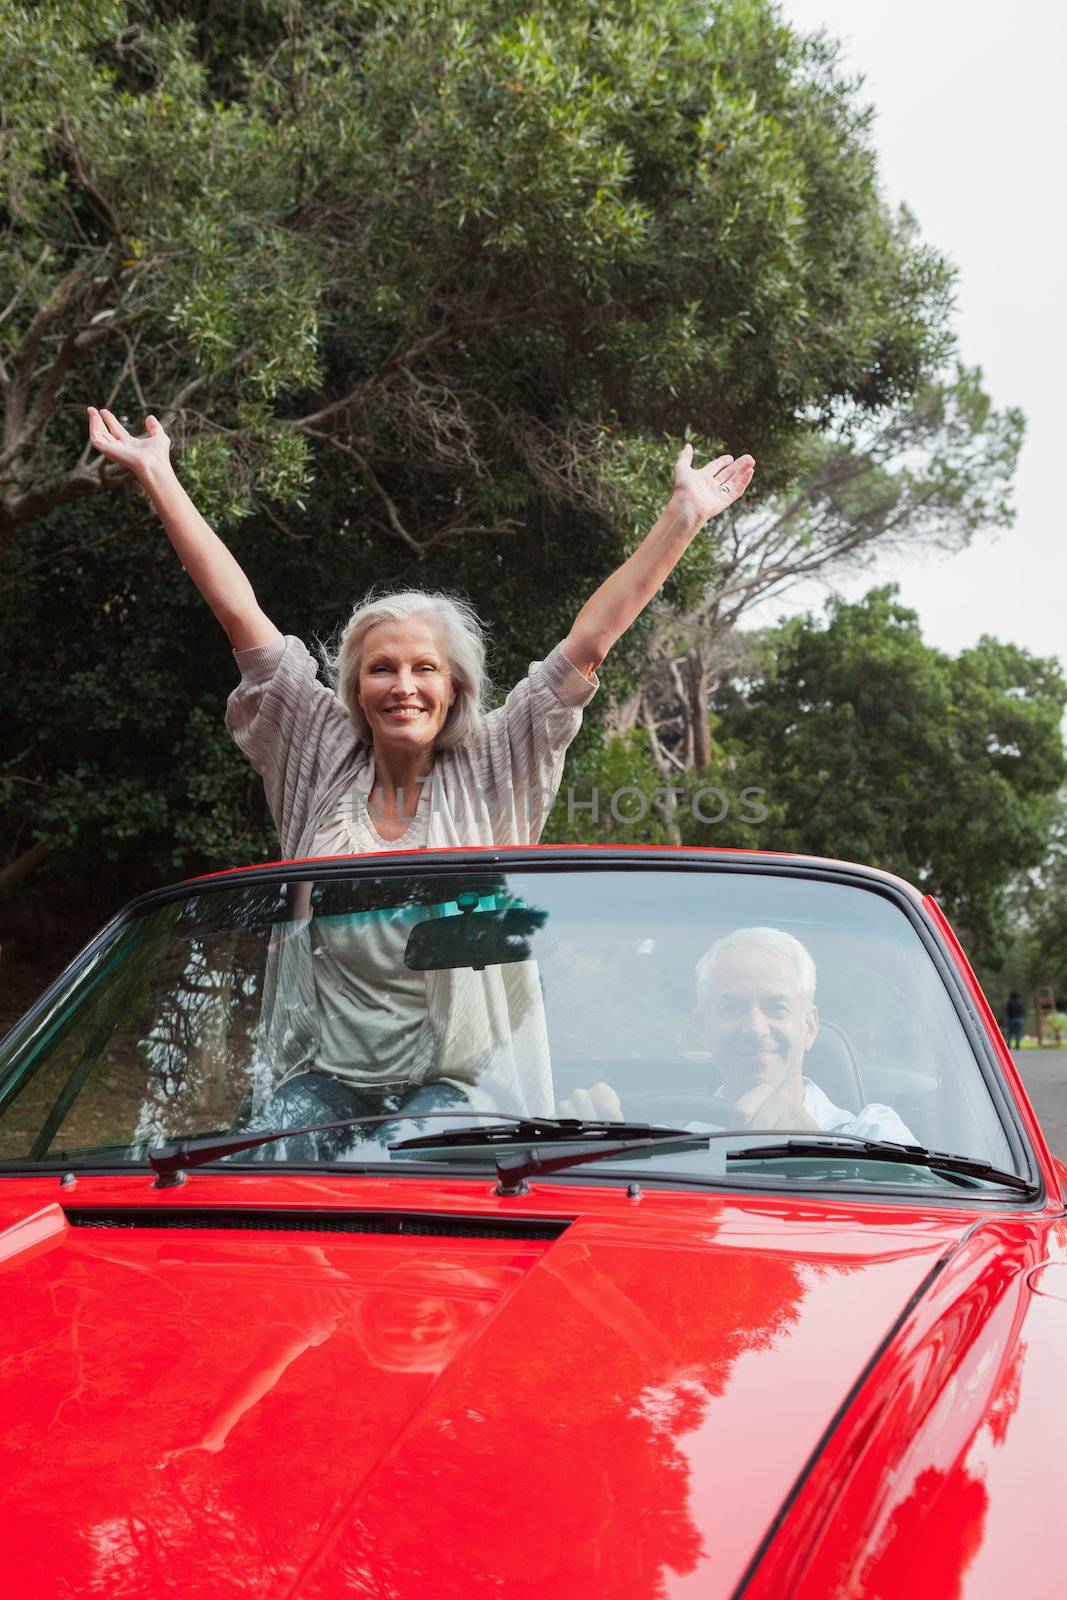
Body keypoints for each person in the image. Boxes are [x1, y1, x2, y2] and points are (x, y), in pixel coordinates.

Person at [86, 405, 755, 1137]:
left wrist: (683, 515)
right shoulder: (314, 747)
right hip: (326, 1071)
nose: (402, 685)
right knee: (280, 1143)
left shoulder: (501, 758)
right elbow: (238, 614)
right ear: (354, 687)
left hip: (459, 1082)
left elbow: (586, 647)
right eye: (381, 669)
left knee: (410, 1155)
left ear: (453, 686)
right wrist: (159, 475)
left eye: (423, 668)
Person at [561, 926, 915, 1142]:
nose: (755, 1029)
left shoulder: (872, 1137)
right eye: (733, 1008)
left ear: (809, 1026)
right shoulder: (668, 1148)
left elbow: (935, 1225)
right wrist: (593, 1151)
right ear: (703, 1028)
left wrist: (818, 1152)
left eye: (776, 1007)